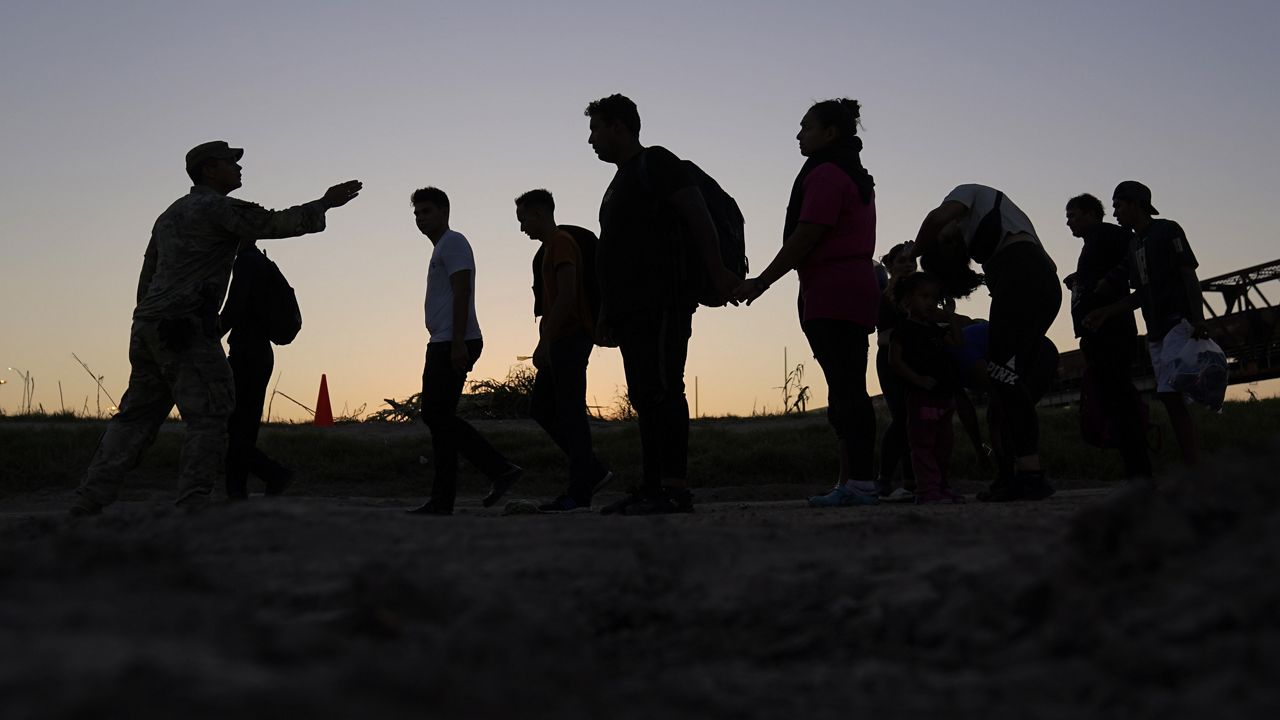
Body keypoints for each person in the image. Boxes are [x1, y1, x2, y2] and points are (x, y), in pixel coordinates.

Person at [70, 141, 362, 516]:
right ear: (209, 170)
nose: (239, 169)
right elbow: (274, 223)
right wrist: (324, 203)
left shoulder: (169, 216)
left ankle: (89, 498)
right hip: (184, 329)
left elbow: (148, 276)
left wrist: (150, 320)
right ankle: (193, 504)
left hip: (149, 326)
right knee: (211, 415)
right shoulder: (217, 209)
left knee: (135, 418)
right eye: (231, 163)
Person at [584, 94, 739, 515]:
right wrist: (606, 312)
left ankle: (672, 487)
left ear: (619, 126)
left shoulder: (658, 162)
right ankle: (651, 485)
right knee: (644, 393)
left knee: (664, 389)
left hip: (662, 300)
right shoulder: (619, 182)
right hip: (630, 308)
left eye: (596, 129)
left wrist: (721, 272)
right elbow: (614, 253)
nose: (592, 139)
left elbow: (697, 216)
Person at [735, 98, 880, 508]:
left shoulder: (826, 175)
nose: (799, 135)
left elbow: (805, 236)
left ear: (830, 133)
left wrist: (762, 281)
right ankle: (853, 481)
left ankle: (861, 484)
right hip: (848, 286)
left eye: (806, 127)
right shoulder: (852, 174)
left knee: (846, 389)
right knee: (848, 385)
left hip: (833, 289)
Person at [911, 184, 1060, 502]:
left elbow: (936, 218)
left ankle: (1030, 475)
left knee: (1003, 379)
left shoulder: (970, 193)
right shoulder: (990, 241)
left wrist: (914, 252)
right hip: (1037, 282)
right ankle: (1015, 474)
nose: (948, 235)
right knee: (1006, 385)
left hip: (1023, 276)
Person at [408, 187, 522, 516]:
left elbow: (463, 289)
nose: (420, 218)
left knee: (435, 414)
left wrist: (458, 340)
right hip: (445, 339)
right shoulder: (442, 247)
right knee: (440, 419)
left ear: (444, 212)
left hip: (453, 341)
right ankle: (443, 499)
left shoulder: (454, 242)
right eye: (417, 213)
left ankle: (499, 469)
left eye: (426, 211)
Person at [1086, 181, 1206, 467]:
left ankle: (1195, 466)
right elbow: (1139, 294)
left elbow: (1188, 273)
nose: (1114, 212)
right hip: (1155, 329)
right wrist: (1108, 312)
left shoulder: (1167, 230)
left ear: (1135, 203)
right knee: (1170, 398)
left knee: (1172, 394)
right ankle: (1194, 466)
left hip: (1178, 322)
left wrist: (1199, 318)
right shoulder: (1134, 245)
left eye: (1118, 205)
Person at [514, 189, 613, 511]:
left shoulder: (560, 244)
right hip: (560, 339)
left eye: (524, 219)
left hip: (571, 338)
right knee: (542, 408)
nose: (522, 228)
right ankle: (593, 470)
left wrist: (545, 341)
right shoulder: (547, 249)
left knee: (570, 413)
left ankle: (580, 491)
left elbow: (567, 296)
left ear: (539, 215)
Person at [1062, 193, 1151, 479]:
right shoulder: (1095, 242)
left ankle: (1140, 473)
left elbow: (1135, 253)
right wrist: (1080, 280)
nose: (1068, 222)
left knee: (1120, 399)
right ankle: (1136, 471)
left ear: (1091, 214)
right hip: (1098, 333)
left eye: (1073, 215)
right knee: (1115, 399)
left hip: (1111, 331)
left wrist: (1107, 282)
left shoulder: (1107, 233)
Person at [218, 241, 294, 499]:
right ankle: (237, 490)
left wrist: (210, 333)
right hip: (258, 352)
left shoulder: (246, 262)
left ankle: (272, 473)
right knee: (243, 426)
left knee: (229, 426)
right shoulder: (259, 262)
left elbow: (234, 307)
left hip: (246, 352)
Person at [889, 272, 964, 504]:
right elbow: (895, 361)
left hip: (943, 396)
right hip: (921, 397)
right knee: (923, 445)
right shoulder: (903, 329)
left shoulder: (935, 328)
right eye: (924, 296)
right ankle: (928, 489)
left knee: (944, 445)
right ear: (907, 301)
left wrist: (950, 316)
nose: (930, 302)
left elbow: (958, 344)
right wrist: (918, 379)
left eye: (934, 297)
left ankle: (942, 485)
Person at [874, 241, 918, 502]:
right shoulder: (885, 296)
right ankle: (885, 478)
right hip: (891, 359)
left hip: (917, 359)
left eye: (911, 261)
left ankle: (912, 478)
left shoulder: (922, 293)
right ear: (889, 266)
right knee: (901, 417)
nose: (908, 265)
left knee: (916, 417)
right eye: (901, 261)